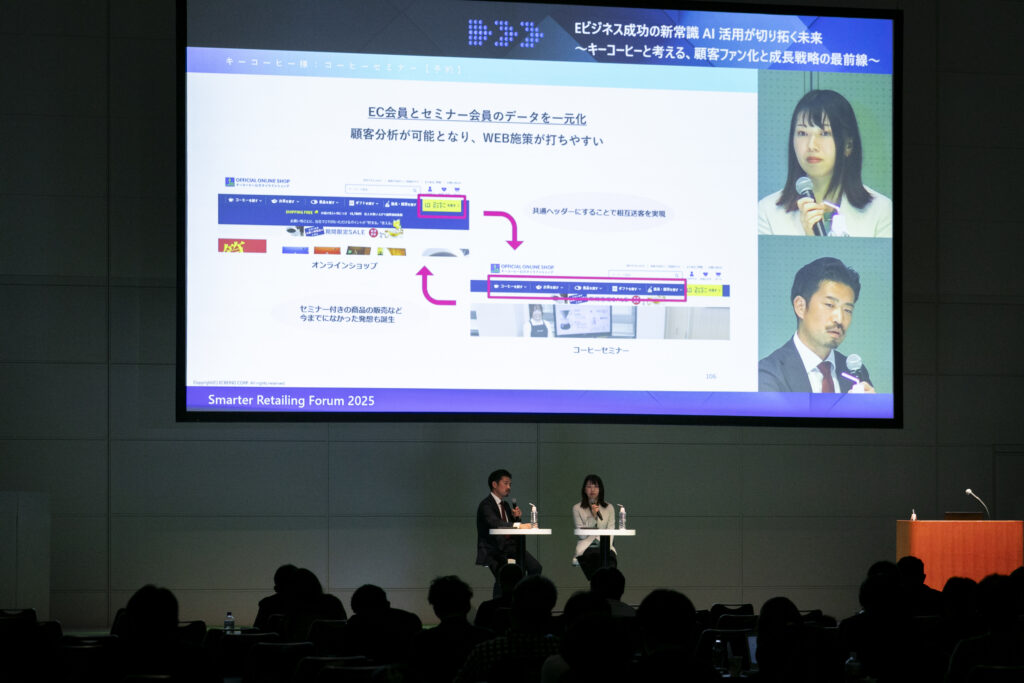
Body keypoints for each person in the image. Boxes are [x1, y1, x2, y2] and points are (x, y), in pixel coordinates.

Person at [758, 89, 892, 238]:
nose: (811, 145)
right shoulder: (767, 211)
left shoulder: (881, 210)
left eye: (824, 133)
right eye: (802, 133)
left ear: (848, 145)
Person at [758, 256, 875, 393]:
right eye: (830, 305)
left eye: (847, 310)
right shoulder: (769, 373)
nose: (840, 319)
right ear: (800, 306)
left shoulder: (855, 374)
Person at [476, 469, 542, 595]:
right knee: (504, 579)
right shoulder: (486, 505)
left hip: (510, 546)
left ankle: (524, 595)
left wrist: (517, 518)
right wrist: (518, 524)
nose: (508, 487)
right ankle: (499, 607)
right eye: (506, 483)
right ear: (494, 484)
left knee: (535, 567)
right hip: (494, 549)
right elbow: (495, 523)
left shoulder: (505, 505)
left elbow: (511, 526)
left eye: (510, 484)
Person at [571, 474, 616, 580]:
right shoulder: (577, 508)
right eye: (589, 486)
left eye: (596, 486)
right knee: (596, 570)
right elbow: (582, 536)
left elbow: (611, 530)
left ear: (600, 489)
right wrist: (593, 517)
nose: (592, 490)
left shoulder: (609, 507)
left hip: (605, 545)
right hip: (587, 546)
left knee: (611, 567)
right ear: (584, 490)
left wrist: (606, 547)